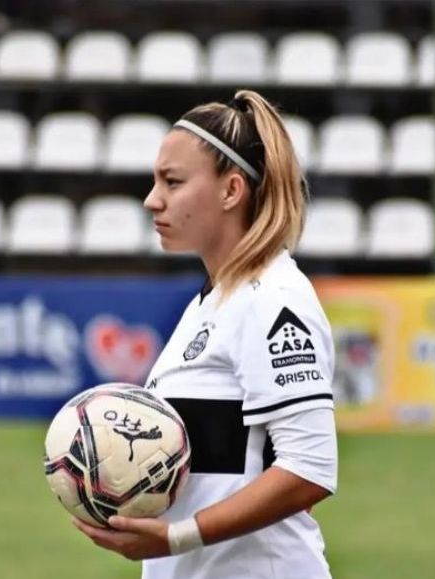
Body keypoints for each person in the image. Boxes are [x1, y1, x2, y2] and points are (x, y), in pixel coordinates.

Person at [72, 89, 338, 579]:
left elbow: (309, 471)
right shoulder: (210, 303)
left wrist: (178, 536)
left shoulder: (272, 298)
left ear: (231, 190)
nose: (152, 199)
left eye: (171, 182)